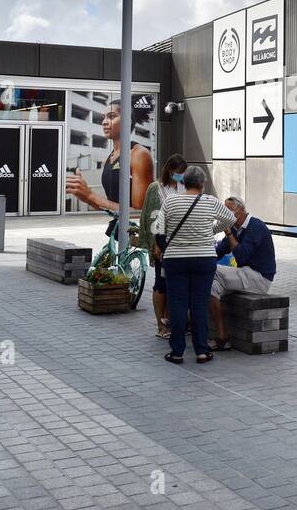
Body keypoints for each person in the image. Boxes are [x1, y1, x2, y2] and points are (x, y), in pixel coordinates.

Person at [160, 166, 235, 364]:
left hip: (175, 259)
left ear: (183, 182)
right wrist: (211, 230)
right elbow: (231, 218)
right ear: (202, 184)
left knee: (177, 305)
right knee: (199, 305)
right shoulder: (209, 201)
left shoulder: (171, 200)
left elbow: (159, 229)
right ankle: (202, 351)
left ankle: (177, 352)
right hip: (204, 259)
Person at [207, 196, 276, 352]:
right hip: (245, 275)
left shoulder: (255, 226)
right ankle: (223, 337)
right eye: (223, 210)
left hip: (259, 278)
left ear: (240, 211)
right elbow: (219, 251)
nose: (224, 214)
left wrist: (228, 233)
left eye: (228, 210)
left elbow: (241, 256)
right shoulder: (235, 228)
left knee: (211, 269)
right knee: (210, 286)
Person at [64, 97, 153, 212]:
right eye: (103, 117)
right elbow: (110, 208)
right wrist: (86, 197)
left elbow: (139, 213)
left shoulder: (139, 155)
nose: (104, 122)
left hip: (132, 230)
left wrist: (90, 195)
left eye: (111, 116)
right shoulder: (110, 158)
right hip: (114, 227)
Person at [141, 153, 188, 339]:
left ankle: (172, 321)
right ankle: (161, 325)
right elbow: (151, 216)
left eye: (183, 173)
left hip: (181, 244)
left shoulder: (185, 187)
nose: (181, 175)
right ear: (170, 170)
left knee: (175, 284)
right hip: (162, 244)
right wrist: (154, 244)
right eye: (178, 172)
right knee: (161, 284)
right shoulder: (156, 188)